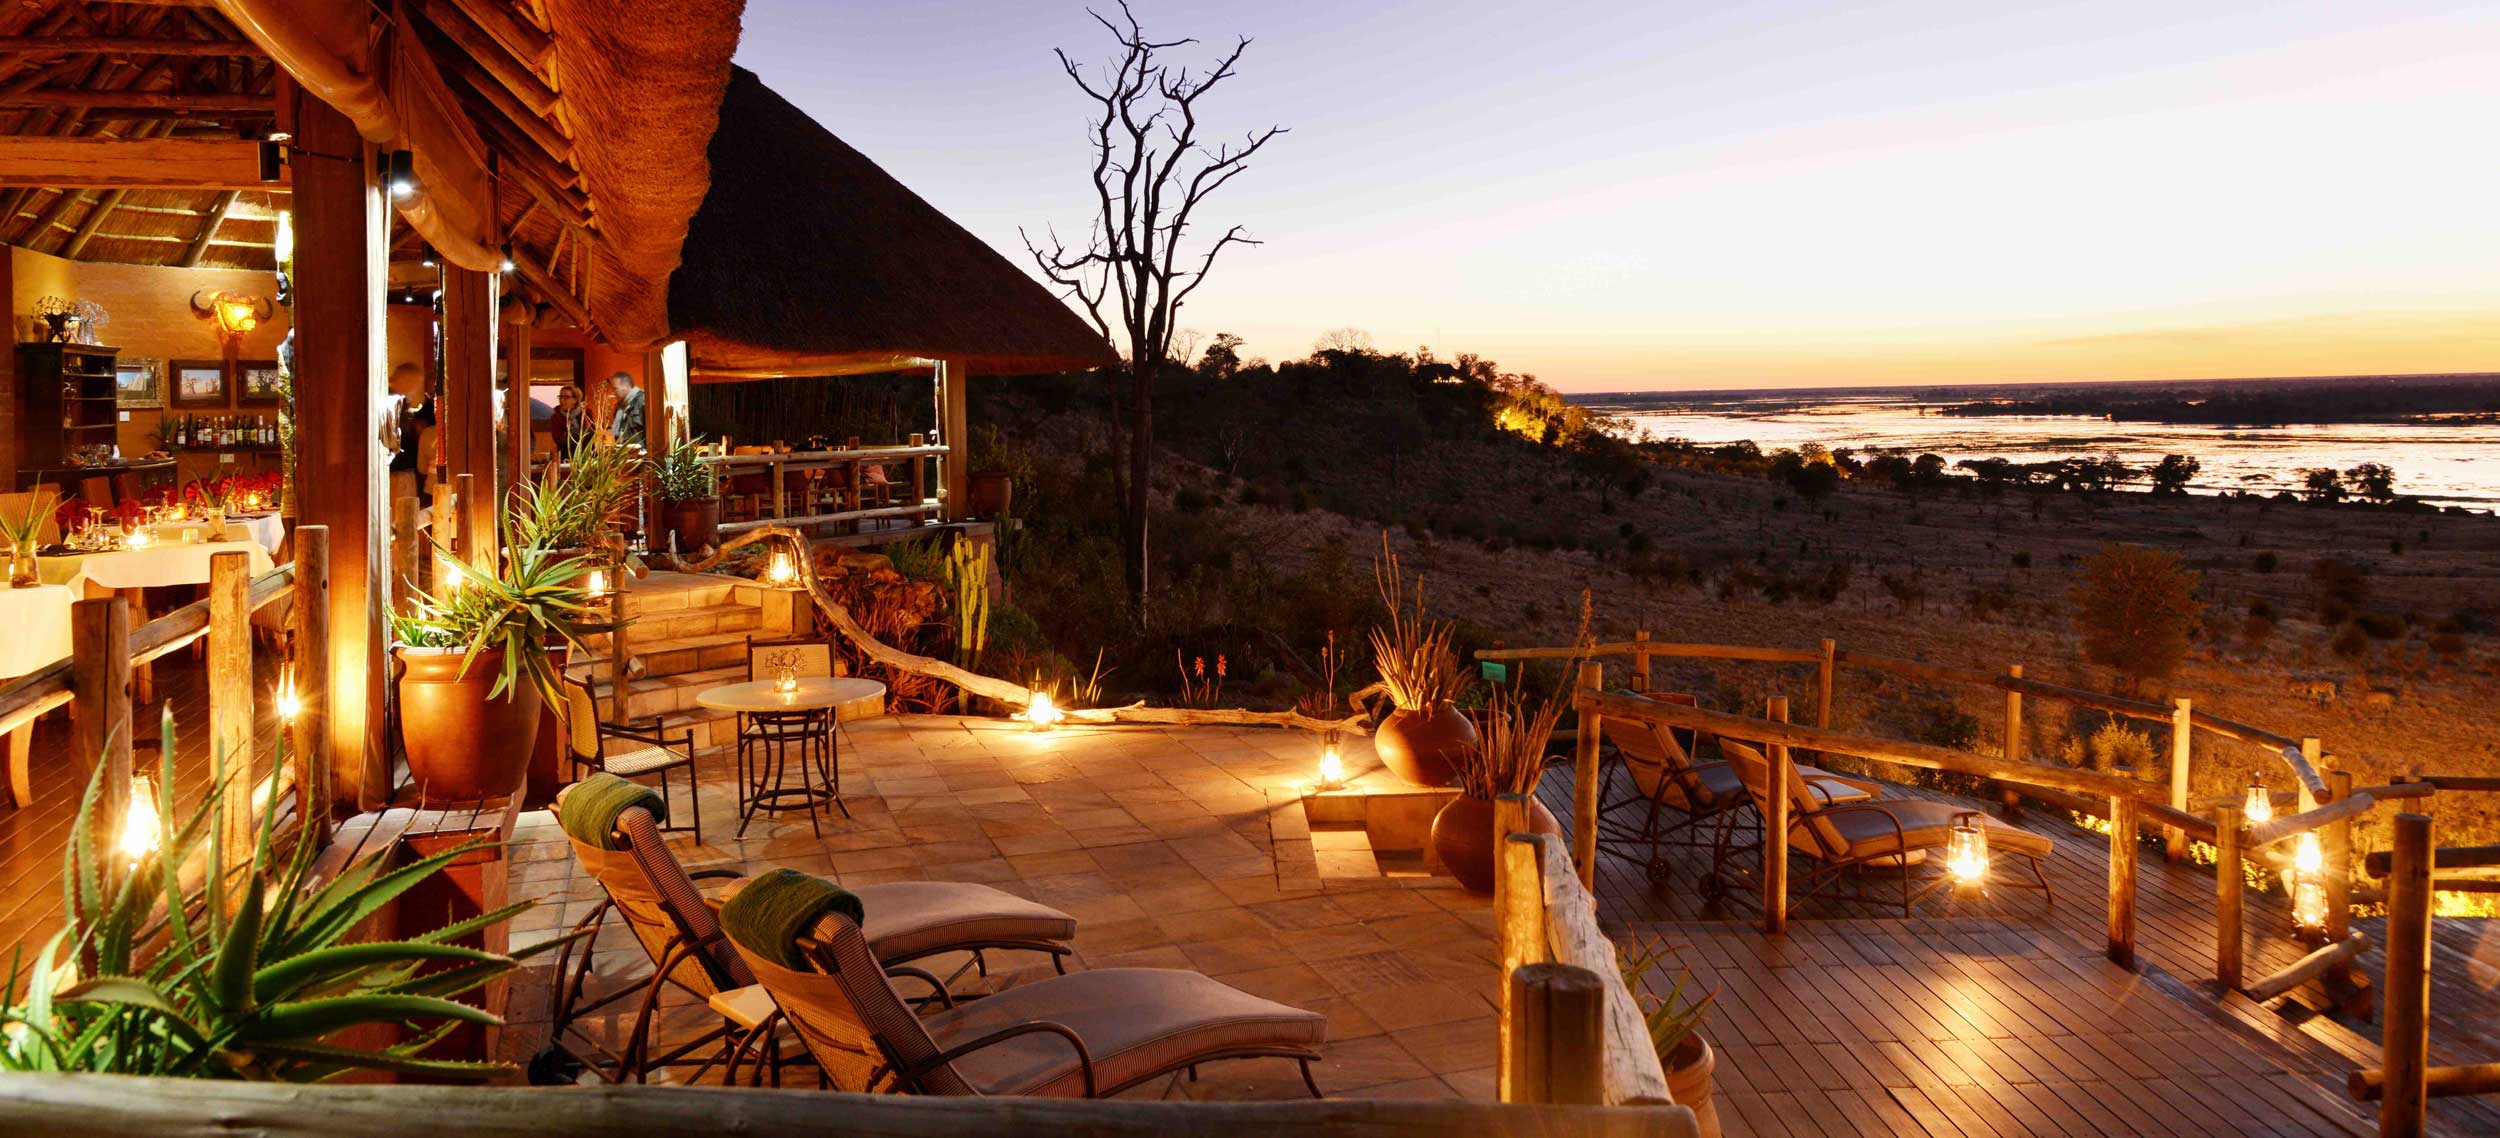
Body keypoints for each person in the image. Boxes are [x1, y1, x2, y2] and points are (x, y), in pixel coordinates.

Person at [383, 362, 436, 506]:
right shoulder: (391, 402)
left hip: (401, 469)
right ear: (405, 380)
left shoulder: (400, 403)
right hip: (396, 470)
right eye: (415, 383)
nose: (416, 388)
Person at [547, 383, 592, 452]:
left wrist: (570, 433)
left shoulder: (586, 413)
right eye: (560, 397)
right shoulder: (556, 417)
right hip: (566, 454)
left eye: (566, 397)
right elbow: (560, 440)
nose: (562, 400)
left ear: (575, 400)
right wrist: (581, 433)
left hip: (588, 453)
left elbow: (592, 433)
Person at [608, 371, 645, 446]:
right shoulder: (619, 407)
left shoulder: (642, 401)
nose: (614, 392)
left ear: (627, 386)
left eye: (615, 388)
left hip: (641, 451)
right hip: (624, 450)